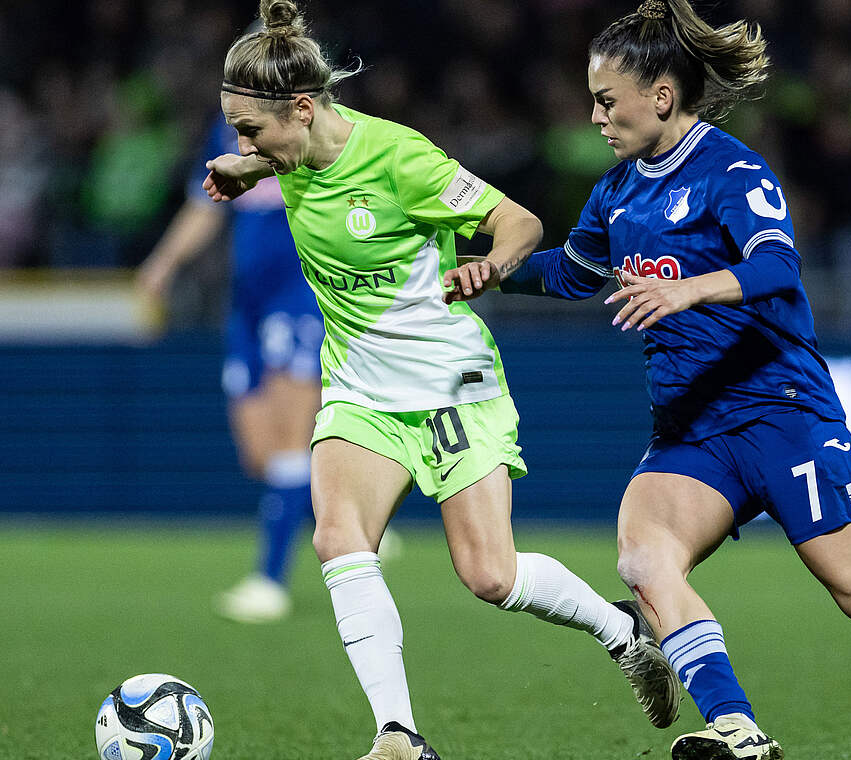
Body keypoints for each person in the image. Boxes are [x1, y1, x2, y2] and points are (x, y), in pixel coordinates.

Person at [465, 1, 851, 759]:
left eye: (605, 100)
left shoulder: (732, 170)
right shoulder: (618, 192)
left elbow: (775, 264)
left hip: (782, 410)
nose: (594, 116)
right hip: (694, 430)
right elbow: (572, 273)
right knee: (644, 556)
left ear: (660, 96)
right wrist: (491, 271)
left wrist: (691, 288)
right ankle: (738, 729)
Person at [202, 3, 681, 759]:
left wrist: (491, 262)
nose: (241, 143)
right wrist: (247, 164)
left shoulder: (401, 161)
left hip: (452, 386)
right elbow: (286, 157)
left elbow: (517, 220)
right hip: (361, 392)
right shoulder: (289, 152)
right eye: (234, 131)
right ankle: (398, 735)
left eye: (250, 131)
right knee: (338, 538)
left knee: (490, 575)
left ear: (301, 108)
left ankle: (621, 630)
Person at [137, 109, 322, 624]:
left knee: (291, 440)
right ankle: (338, 497)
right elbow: (204, 205)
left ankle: (270, 579)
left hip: (301, 294)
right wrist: (163, 263)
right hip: (246, 306)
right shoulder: (228, 134)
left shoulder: (314, 131)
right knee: (260, 456)